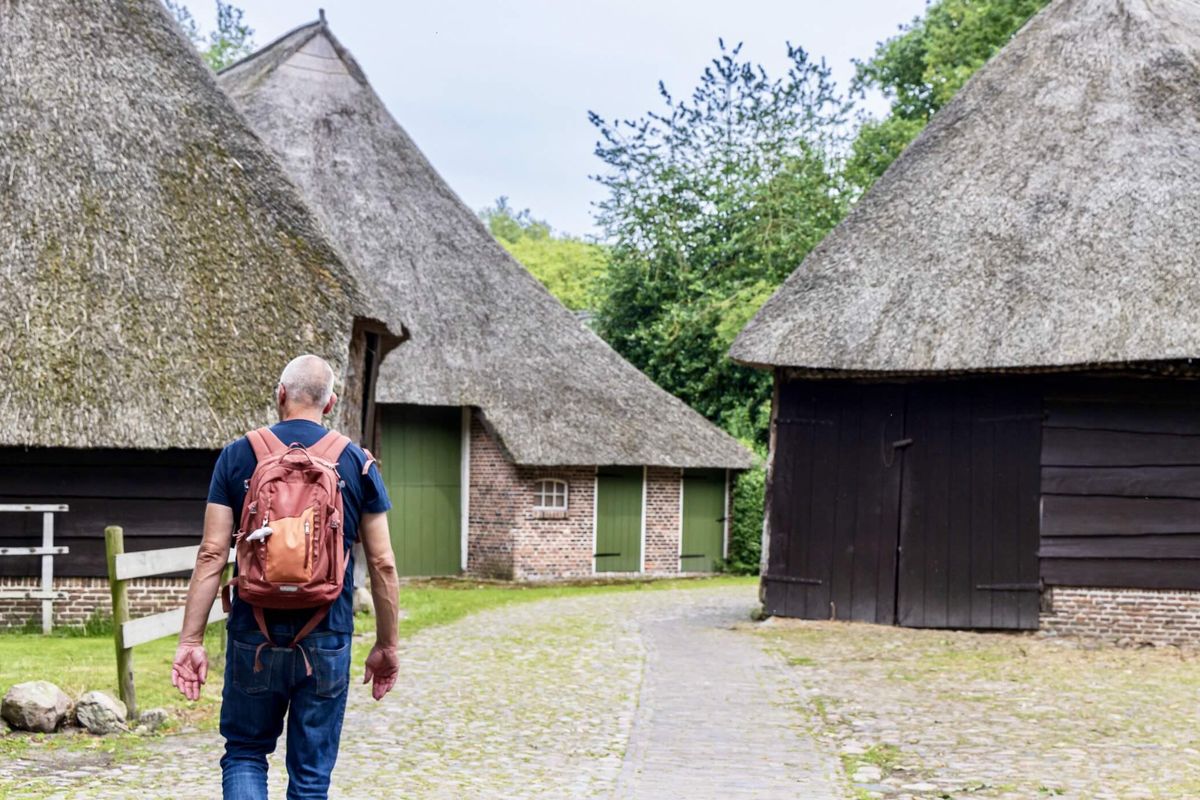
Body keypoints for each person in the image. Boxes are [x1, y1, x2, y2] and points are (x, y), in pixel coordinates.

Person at [171, 354, 400, 800]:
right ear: (330, 403)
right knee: (311, 776)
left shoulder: (239, 456)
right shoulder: (357, 463)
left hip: (252, 632)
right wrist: (387, 646)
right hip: (327, 633)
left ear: (280, 395)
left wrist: (190, 642)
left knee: (245, 753)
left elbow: (212, 553)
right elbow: (384, 563)